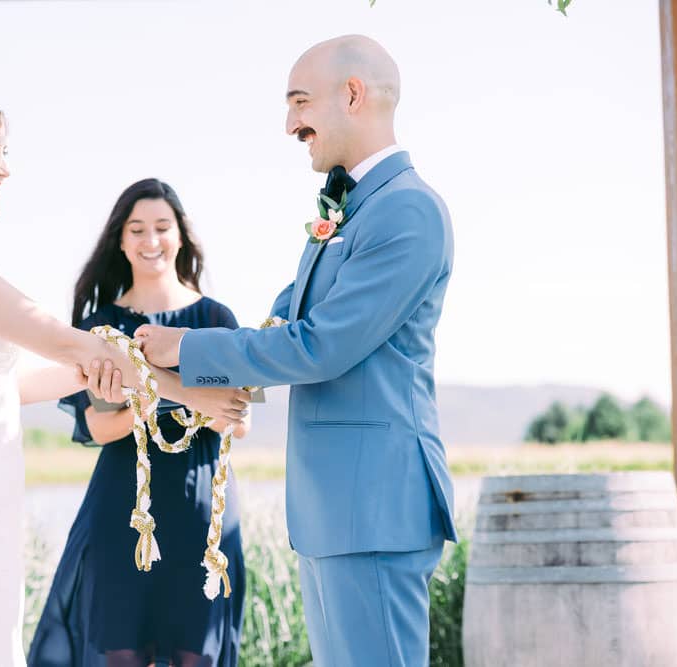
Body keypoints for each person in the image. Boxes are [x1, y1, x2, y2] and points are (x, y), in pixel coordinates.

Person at [0, 94, 248, 667]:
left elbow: (20, 380)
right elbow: (64, 339)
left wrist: (109, 371)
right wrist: (188, 392)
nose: (5, 167)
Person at [136, 36, 457, 667]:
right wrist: (193, 384)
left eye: (300, 103)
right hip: (334, 510)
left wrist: (187, 346)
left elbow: (321, 347)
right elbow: (283, 321)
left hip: (375, 509)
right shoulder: (352, 207)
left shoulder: (407, 210)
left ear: (354, 95)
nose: (291, 124)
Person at [27, 178, 247, 667]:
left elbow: (239, 423)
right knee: (118, 651)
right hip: (122, 510)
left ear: (182, 235)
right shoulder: (99, 324)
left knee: (199, 652)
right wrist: (156, 405)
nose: (151, 241)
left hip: (200, 506)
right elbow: (98, 428)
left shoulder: (216, 317)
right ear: (120, 240)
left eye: (162, 228)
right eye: (138, 229)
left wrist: (207, 408)